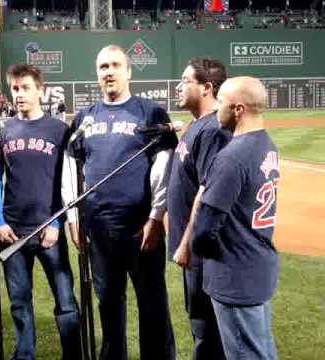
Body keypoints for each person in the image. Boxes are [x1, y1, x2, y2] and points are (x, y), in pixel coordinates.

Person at [68, 45, 177, 360]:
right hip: (99, 229)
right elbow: (71, 169)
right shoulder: (85, 118)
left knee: (153, 303)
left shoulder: (150, 112)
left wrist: (156, 217)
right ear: (97, 73)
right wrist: (75, 219)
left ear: (129, 71)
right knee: (108, 304)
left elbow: (164, 168)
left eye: (116, 65)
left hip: (141, 229)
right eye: (103, 66)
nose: (109, 72)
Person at [0, 64, 81, 360]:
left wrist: (58, 221)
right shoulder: (3, 131)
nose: (19, 94)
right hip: (12, 232)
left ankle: (73, 355)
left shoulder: (59, 130)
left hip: (49, 230)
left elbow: (68, 181)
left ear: (40, 90)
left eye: (25, 87)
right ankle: (24, 355)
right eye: (15, 88)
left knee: (66, 302)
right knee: (19, 302)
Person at [189, 76, 280, 360]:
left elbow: (204, 229)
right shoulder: (266, 144)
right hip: (258, 264)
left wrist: (199, 250)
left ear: (238, 109)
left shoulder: (232, 157)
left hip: (235, 274)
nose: (216, 108)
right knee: (262, 351)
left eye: (221, 102)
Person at [167, 58, 230, 359]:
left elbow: (206, 193)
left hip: (201, 251)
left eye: (185, 80)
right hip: (194, 249)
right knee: (200, 324)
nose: (178, 86)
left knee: (207, 330)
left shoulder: (214, 130)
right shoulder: (198, 126)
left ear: (207, 88)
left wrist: (185, 244)